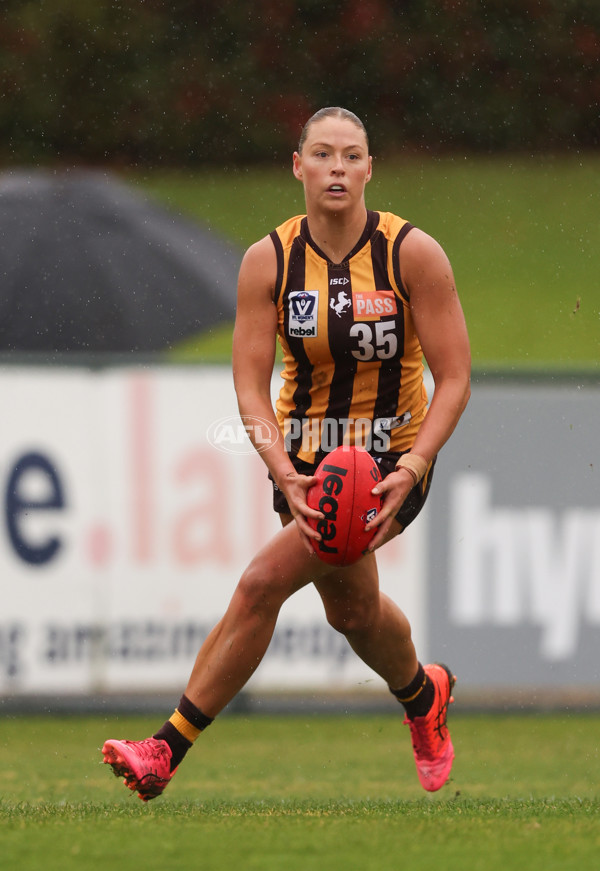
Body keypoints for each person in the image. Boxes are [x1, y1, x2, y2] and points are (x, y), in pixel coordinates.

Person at [102, 106, 471, 801]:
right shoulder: (268, 260)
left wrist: (414, 466)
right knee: (352, 612)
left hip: (389, 461)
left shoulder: (412, 254)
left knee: (261, 583)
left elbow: (454, 377)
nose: (338, 168)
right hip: (303, 463)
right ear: (297, 165)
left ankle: (165, 746)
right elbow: (248, 380)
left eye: (352, 155)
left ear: (370, 168)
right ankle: (425, 693)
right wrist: (282, 468)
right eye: (323, 154)